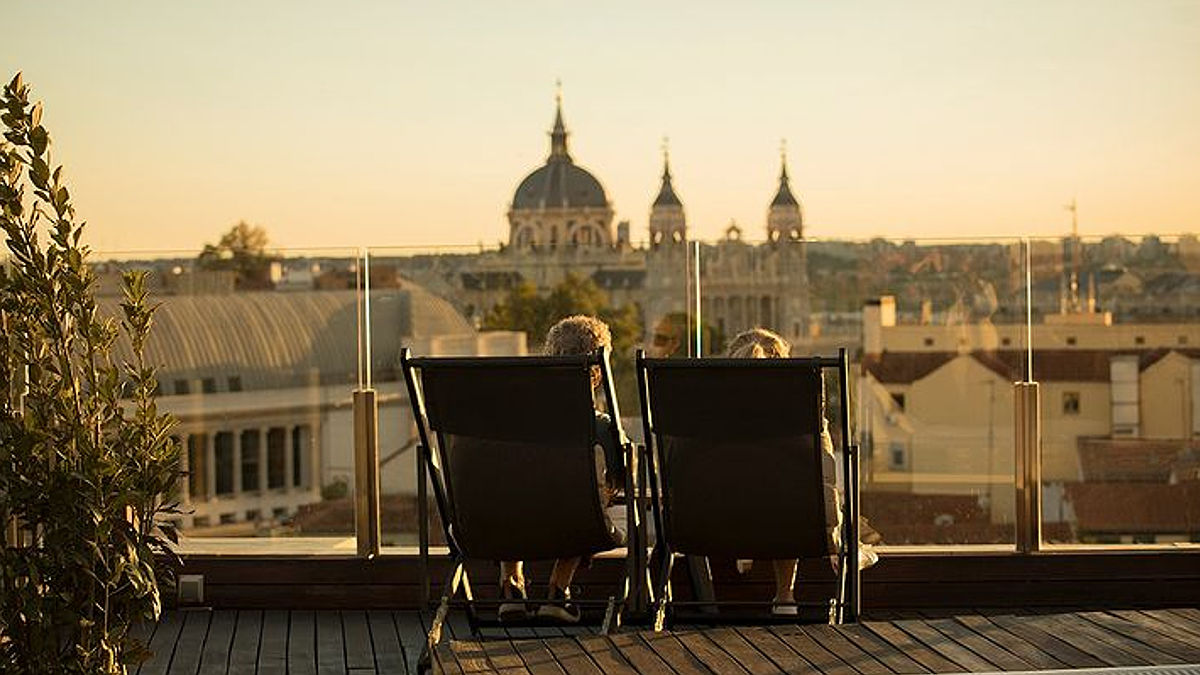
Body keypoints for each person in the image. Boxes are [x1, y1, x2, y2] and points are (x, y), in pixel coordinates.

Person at [724, 328, 878, 615]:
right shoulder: (803, 417)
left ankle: (744, 555)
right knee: (788, 497)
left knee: (769, 495)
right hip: (793, 523)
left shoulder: (707, 414)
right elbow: (825, 478)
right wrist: (835, 538)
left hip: (716, 525)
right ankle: (784, 596)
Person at [498, 315, 625, 623]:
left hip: (506, 526)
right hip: (575, 526)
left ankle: (512, 583)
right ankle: (558, 588)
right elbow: (617, 480)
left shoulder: (514, 425)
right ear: (597, 375)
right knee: (585, 503)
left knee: (511, 492)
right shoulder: (602, 428)